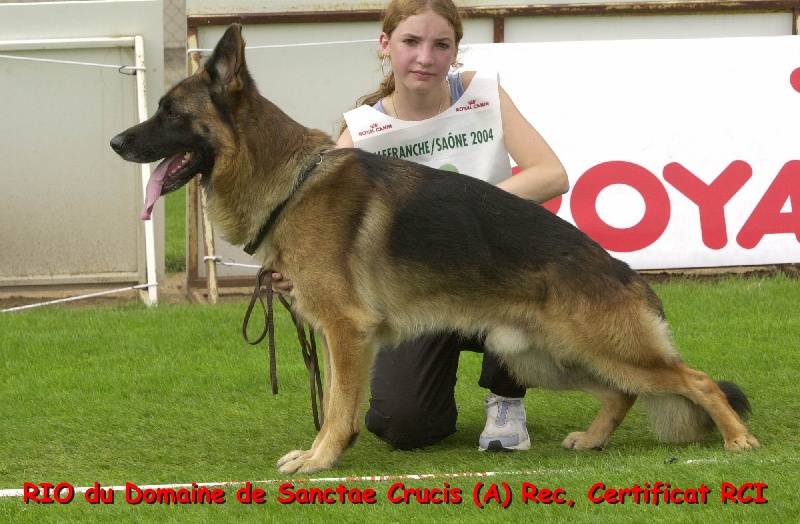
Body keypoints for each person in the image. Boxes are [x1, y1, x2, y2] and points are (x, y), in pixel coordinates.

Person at [273, 0, 568, 452]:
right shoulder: (361, 134)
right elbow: (324, 231)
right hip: (414, 296)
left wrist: (460, 210)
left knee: (523, 254)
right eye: (411, 42)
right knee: (403, 425)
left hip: (493, 274)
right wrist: (294, 268)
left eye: (441, 45)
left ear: (455, 52)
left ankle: (506, 398)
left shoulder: (482, 93)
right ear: (385, 45)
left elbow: (552, 175)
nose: (425, 58)